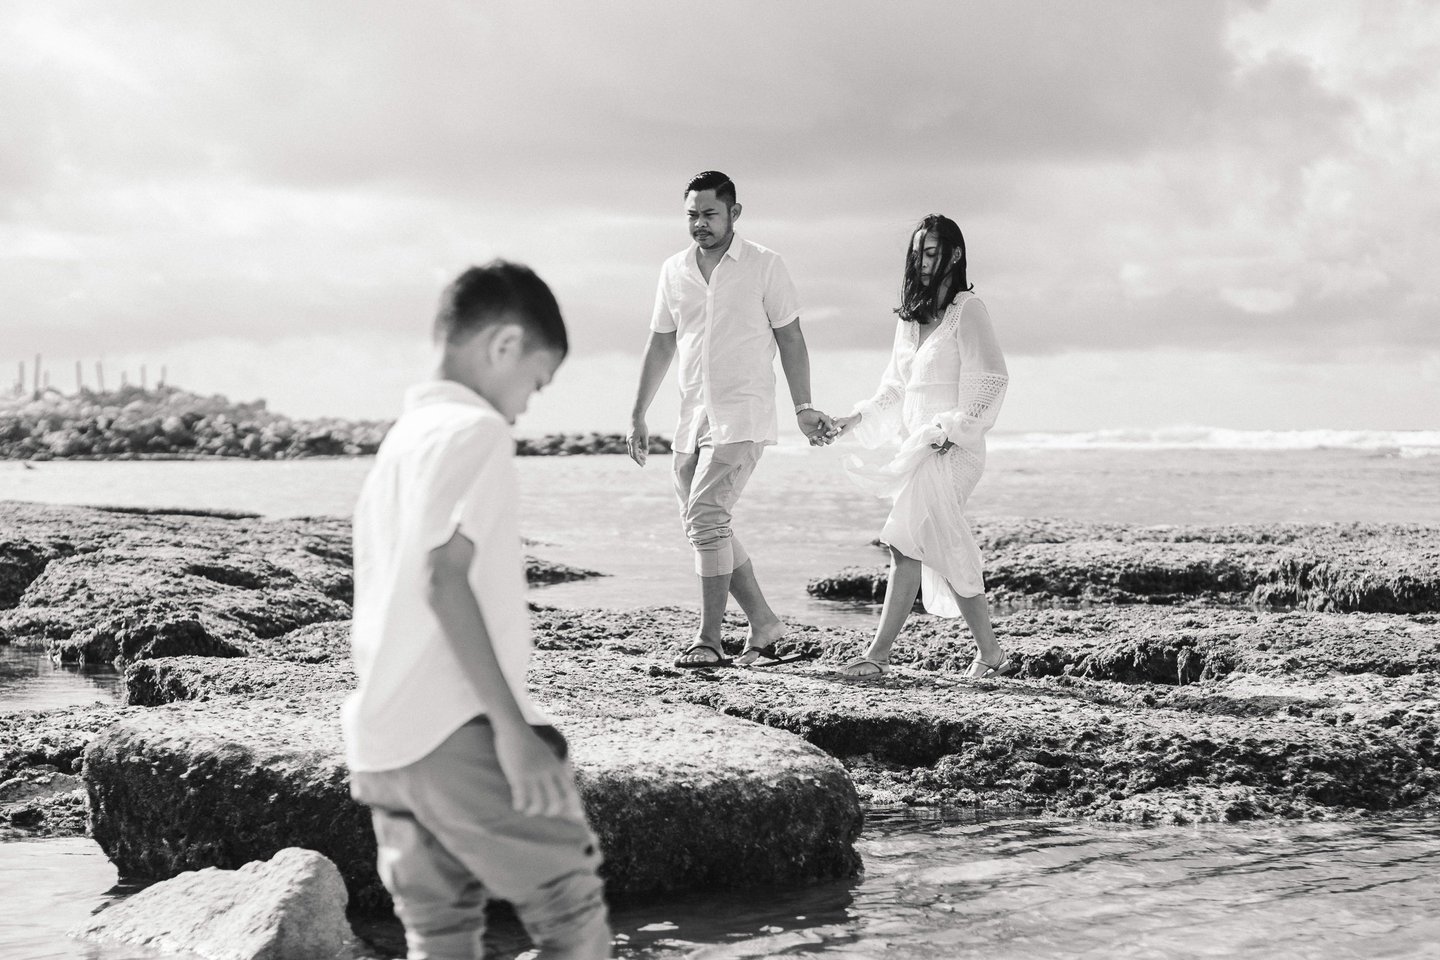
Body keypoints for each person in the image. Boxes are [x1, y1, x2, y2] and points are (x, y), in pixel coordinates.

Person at [343, 262, 610, 959]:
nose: (525, 407)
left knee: (443, 935)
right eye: (537, 380)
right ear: (503, 346)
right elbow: (443, 579)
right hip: (451, 732)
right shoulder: (476, 430)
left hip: (383, 744)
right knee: (571, 914)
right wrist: (513, 731)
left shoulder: (400, 442)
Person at [627, 170, 835, 669]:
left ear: (734, 214)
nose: (699, 224)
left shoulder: (765, 265)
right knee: (706, 525)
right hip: (690, 416)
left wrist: (804, 407)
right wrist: (637, 413)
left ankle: (709, 639)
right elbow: (661, 341)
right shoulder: (674, 269)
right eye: (692, 215)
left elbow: (791, 338)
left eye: (709, 214)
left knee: (705, 519)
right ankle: (763, 622)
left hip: (743, 413)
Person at [831, 215, 1011, 680]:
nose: (923, 262)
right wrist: (852, 420)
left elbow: (991, 381)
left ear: (953, 254)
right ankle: (989, 653)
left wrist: (953, 429)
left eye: (932, 252)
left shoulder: (968, 309)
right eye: (918, 253)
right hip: (917, 449)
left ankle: (877, 656)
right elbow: (894, 389)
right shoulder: (910, 318)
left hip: (954, 450)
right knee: (935, 544)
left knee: (902, 542)